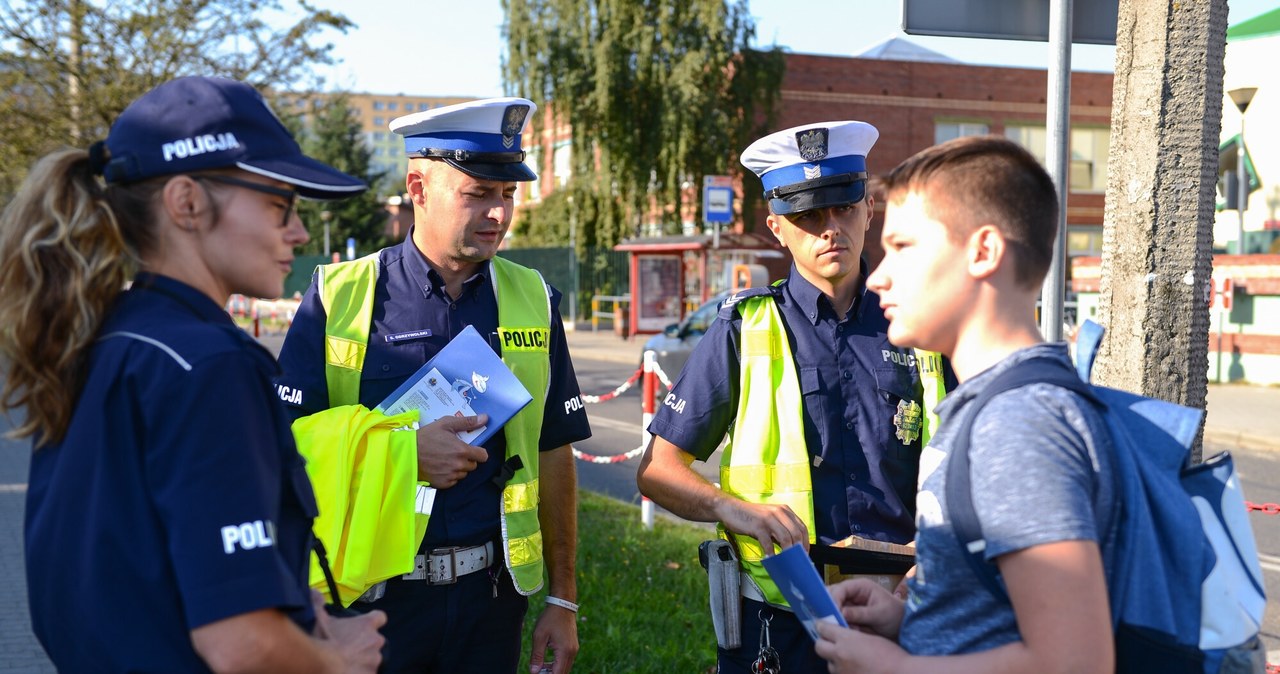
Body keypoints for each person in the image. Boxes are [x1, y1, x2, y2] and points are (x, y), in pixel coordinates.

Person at [0, 76, 387, 673]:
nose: (300, 232)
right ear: (186, 203)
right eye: (278, 204)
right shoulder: (211, 364)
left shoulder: (101, 339)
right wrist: (337, 661)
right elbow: (239, 642)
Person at [274, 97, 589, 674]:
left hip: (491, 602)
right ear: (417, 187)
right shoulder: (338, 295)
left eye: (508, 195)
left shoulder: (533, 298)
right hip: (369, 601)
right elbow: (283, 446)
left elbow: (553, 449)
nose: (499, 214)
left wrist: (562, 599)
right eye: (478, 195)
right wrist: (400, 454)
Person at [635, 120, 950, 673]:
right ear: (777, 227)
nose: (830, 229)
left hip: (905, 609)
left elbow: (972, 467)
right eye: (807, 216)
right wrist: (732, 509)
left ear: (868, 210)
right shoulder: (743, 327)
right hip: (781, 620)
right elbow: (659, 470)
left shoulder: (923, 321)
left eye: (844, 208)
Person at [814, 135, 1117, 673]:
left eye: (904, 247)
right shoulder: (998, 406)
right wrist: (910, 621)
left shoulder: (1017, 424)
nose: (879, 274)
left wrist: (895, 666)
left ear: (984, 252)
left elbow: (1075, 661)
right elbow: (1003, 616)